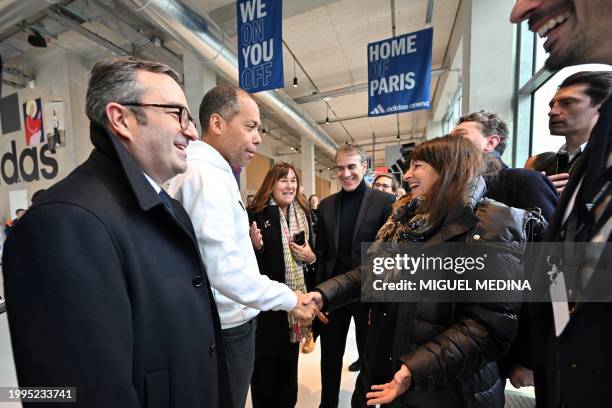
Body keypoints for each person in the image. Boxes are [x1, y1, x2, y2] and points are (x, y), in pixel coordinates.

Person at [1, 56, 230, 406]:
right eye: (176, 114)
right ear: (121, 118)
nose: (193, 131)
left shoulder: (166, 207)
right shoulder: (63, 223)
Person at [310, 135, 543, 407]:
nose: (407, 175)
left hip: (447, 390)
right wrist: (323, 295)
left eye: (416, 166)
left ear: (447, 168)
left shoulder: (493, 225)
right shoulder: (411, 217)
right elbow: (375, 271)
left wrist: (414, 369)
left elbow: (489, 326)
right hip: (392, 372)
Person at [168, 85, 316, 408]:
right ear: (218, 124)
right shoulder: (205, 177)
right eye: (250, 127)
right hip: (229, 323)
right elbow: (225, 271)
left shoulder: (216, 172)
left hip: (232, 317)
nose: (259, 138)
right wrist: (290, 298)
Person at [511, 1, 612, 407]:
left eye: (567, 103)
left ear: (599, 110)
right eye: (551, 103)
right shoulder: (548, 166)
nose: (517, 12)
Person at [314, 144, 395, 407]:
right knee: (330, 357)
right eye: (340, 167)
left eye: (351, 167)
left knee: (370, 356)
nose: (346, 173)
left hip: (367, 295)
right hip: (334, 295)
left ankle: (366, 403)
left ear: (364, 167)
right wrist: (320, 298)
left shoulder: (385, 203)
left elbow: (386, 254)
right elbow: (322, 253)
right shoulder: (326, 206)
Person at [247, 162, 317, 408]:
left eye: (293, 180)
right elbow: (245, 268)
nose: (290, 186)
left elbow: (313, 260)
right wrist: (254, 248)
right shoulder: (256, 213)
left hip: (296, 306)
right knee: (265, 367)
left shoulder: (304, 214)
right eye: (283, 180)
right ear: (271, 183)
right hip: (268, 306)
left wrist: (311, 256)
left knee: (289, 365)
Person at [452, 110, 558, 222]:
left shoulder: (524, 181)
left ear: (491, 143)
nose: (448, 142)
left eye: (460, 135)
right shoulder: (454, 186)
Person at [539, 71, 612, 194]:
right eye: (552, 105)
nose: (552, 112)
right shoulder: (543, 168)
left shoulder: (606, 164)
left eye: (567, 103)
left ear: (603, 107)